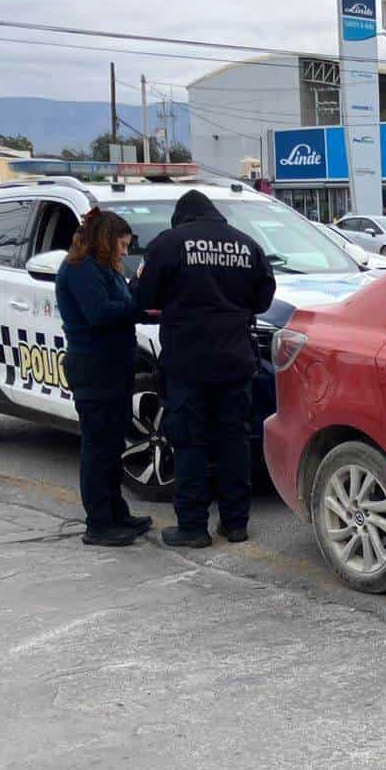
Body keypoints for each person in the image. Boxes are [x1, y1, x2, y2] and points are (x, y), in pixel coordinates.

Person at [135, 190, 275, 549]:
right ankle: (235, 523)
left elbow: (144, 298)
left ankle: (194, 527)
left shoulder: (168, 243)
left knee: (189, 443)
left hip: (188, 363)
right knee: (234, 443)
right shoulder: (246, 245)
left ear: (181, 218)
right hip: (235, 361)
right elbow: (263, 298)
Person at [55, 209, 152, 547]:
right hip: (94, 366)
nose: (125, 252)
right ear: (106, 240)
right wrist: (138, 307)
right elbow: (99, 313)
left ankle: (116, 511)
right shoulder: (80, 269)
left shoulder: (105, 269)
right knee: (97, 447)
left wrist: (144, 306)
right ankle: (98, 522)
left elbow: (122, 306)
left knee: (112, 444)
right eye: (122, 245)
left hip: (114, 365)